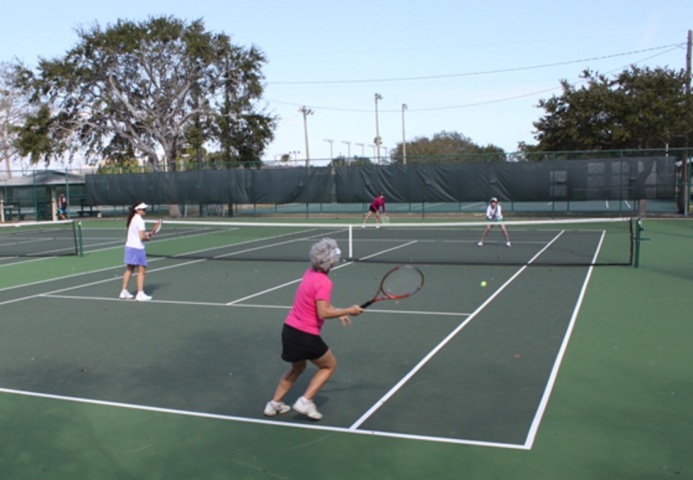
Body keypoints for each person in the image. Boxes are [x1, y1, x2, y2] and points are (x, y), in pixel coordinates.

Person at [264, 238, 363, 420]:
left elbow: (316, 302)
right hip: (306, 336)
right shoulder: (325, 282)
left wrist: (339, 311)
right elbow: (323, 312)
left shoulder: (309, 273)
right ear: (331, 262)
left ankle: (274, 404)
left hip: (289, 331)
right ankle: (305, 401)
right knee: (328, 366)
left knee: (297, 368)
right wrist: (349, 310)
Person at [120, 202, 154, 301]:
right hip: (137, 248)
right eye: (143, 209)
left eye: (145, 209)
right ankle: (140, 294)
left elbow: (139, 234)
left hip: (129, 247)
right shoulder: (140, 220)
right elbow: (142, 237)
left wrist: (146, 234)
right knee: (142, 271)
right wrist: (148, 238)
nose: (145, 211)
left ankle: (123, 291)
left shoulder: (133, 218)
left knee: (129, 269)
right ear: (137, 210)